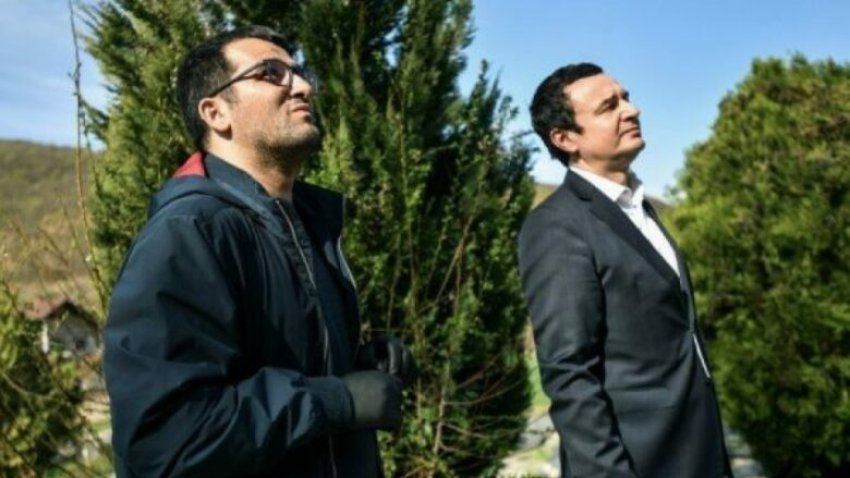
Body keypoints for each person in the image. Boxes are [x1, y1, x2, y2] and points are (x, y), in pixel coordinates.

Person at [103, 25, 414, 477]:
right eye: (271, 73)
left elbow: (287, 372)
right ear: (215, 112)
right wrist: (336, 400)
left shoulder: (310, 226)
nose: (303, 87)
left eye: (300, 73)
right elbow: (166, 438)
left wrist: (358, 367)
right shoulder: (188, 234)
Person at [518, 63, 733, 477]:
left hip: (698, 453)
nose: (631, 111)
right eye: (608, 107)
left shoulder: (640, 208)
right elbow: (569, 373)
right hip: (640, 462)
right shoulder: (557, 226)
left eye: (626, 98)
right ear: (565, 138)